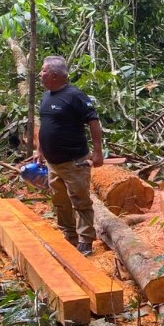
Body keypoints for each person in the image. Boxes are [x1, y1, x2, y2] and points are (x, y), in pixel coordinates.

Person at [33, 56, 104, 256]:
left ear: (55, 76)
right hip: (53, 163)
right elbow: (45, 125)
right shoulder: (46, 96)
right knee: (60, 201)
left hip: (74, 161)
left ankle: (86, 240)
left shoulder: (75, 96)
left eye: (43, 71)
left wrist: (97, 152)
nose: (40, 74)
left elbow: (93, 121)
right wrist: (40, 150)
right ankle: (69, 234)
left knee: (80, 200)